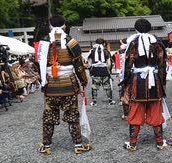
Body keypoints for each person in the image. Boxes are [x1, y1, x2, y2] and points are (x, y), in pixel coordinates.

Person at [38, 15, 90, 155]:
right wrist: (83, 80)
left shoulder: (44, 42)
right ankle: (78, 144)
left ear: (50, 26)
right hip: (69, 84)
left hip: (50, 85)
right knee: (72, 115)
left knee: (49, 116)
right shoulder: (71, 42)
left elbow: (40, 64)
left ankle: (46, 145)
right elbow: (79, 65)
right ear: (65, 26)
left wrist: (42, 82)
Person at [122, 18, 167, 151]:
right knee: (155, 109)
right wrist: (162, 84)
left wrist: (125, 86)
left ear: (136, 28)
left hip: (138, 81)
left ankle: (133, 143)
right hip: (155, 81)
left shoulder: (133, 43)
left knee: (136, 109)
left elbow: (128, 65)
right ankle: (159, 142)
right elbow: (162, 63)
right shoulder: (157, 43)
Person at [88, 38, 115, 106]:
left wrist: (90, 70)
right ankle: (110, 100)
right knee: (107, 86)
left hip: (95, 70)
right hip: (104, 70)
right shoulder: (106, 51)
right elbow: (109, 63)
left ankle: (94, 102)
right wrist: (109, 70)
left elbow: (89, 62)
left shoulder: (92, 51)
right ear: (103, 43)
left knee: (94, 86)